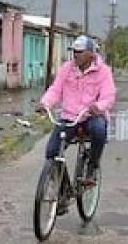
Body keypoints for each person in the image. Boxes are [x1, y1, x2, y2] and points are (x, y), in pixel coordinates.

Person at [36, 35, 116, 196]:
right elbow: (55, 89)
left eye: (80, 52)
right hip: (70, 117)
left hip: (91, 115)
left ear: (91, 54)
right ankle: (62, 188)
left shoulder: (104, 71)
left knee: (99, 130)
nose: (76, 55)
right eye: (74, 52)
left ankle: (92, 167)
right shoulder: (67, 68)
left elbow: (109, 96)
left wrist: (98, 106)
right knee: (52, 151)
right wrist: (45, 104)